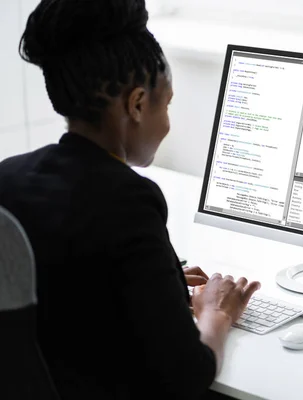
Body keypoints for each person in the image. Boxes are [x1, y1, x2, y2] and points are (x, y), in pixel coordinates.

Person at [0, 1, 260, 399]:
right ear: (137, 104)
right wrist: (217, 312)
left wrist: (156, 281)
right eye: (167, 103)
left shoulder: (8, 177)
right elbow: (189, 373)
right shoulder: (128, 200)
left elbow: (63, 285)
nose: (168, 123)